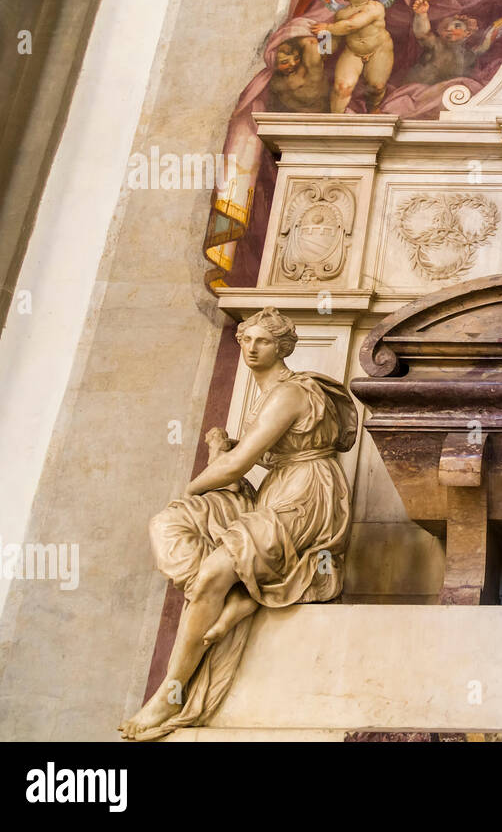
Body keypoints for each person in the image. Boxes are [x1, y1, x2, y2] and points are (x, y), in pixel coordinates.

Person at [120, 308, 356, 740]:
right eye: (245, 340)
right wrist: (218, 454)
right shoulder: (265, 398)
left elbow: (238, 466)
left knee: (211, 563)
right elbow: (236, 464)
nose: (250, 348)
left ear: (282, 347)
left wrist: (194, 486)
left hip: (307, 495)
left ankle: (169, 692)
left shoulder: (290, 393)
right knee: (168, 523)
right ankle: (237, 594)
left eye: (262, 341)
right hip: (274, 490)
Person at [313, 0, 395, 112]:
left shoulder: (375, 7)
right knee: (342, 87)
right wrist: (324, 50)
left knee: (377, 87)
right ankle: (335, 119)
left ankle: (373, 108)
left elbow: (352, 25)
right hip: (353, 52)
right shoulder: (341, 14)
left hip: (379, 50)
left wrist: (327, 27)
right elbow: (335, 39)